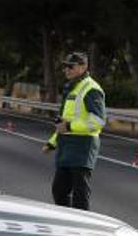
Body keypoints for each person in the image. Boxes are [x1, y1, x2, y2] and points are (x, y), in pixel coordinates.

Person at [43, 52, 106, 210]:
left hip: (83, 145)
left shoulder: (91, 89)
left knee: (80, 193)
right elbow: (64, 121)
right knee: (59, 190)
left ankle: (83, 226)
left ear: (83, 67)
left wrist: (70, 127)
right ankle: (70, 218)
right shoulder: (71, 87)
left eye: (71, 66)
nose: (67, 70)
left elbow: (98, 121)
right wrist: (52, 143)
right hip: (66, 145)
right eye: (65, 66)